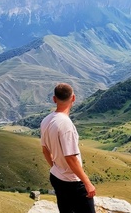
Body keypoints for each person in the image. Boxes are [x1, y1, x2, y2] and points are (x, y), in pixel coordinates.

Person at [40, 83, 96, 213]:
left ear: (54, 99)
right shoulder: (66, 125)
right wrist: (87, 182)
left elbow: (45, 150)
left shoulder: (46, 120)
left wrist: (55, 167)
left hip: (56, 177)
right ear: (73, 98)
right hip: (72, 182)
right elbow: (70, 157)